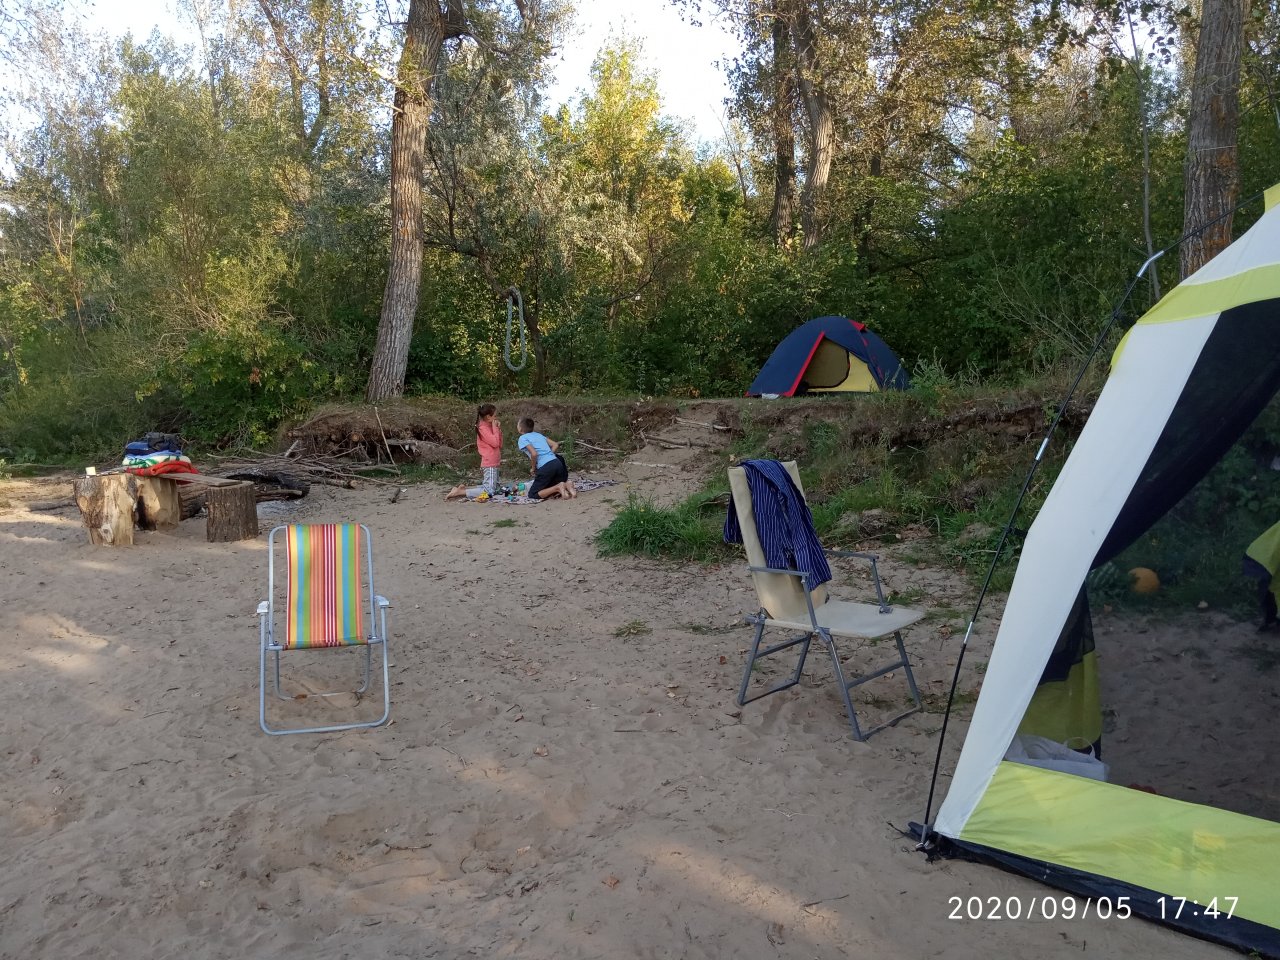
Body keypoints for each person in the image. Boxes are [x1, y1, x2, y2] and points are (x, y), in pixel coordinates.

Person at [446, 403, 503, 500]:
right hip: (489, 462)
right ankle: (461, 492)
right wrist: (495, 428)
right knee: (489, 491)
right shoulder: (483, 429)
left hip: (495, 462)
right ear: (488, 417)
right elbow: (495, 443)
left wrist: (498, 429)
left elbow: (500, 444)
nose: (496, 418)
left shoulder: (491, 427)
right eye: (495, 416)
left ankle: (463, 489)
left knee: (496, 488)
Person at [516, 416, 577, 500]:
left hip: (546, 466)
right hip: (557, 462)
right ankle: (567, 484)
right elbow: (555, 444)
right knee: (549, 485)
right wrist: (550, 455)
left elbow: (534, 454)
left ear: (520, 429)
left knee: (533, 494)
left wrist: (533, 468)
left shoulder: (522, 438)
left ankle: (558, 487)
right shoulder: (538, 435)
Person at [1243, 519, 1280, 631]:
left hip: (1261, 555)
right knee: (1266, 593)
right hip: (1262, 560)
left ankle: (1270, 620)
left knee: (1273, 589)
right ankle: (1267, 620)